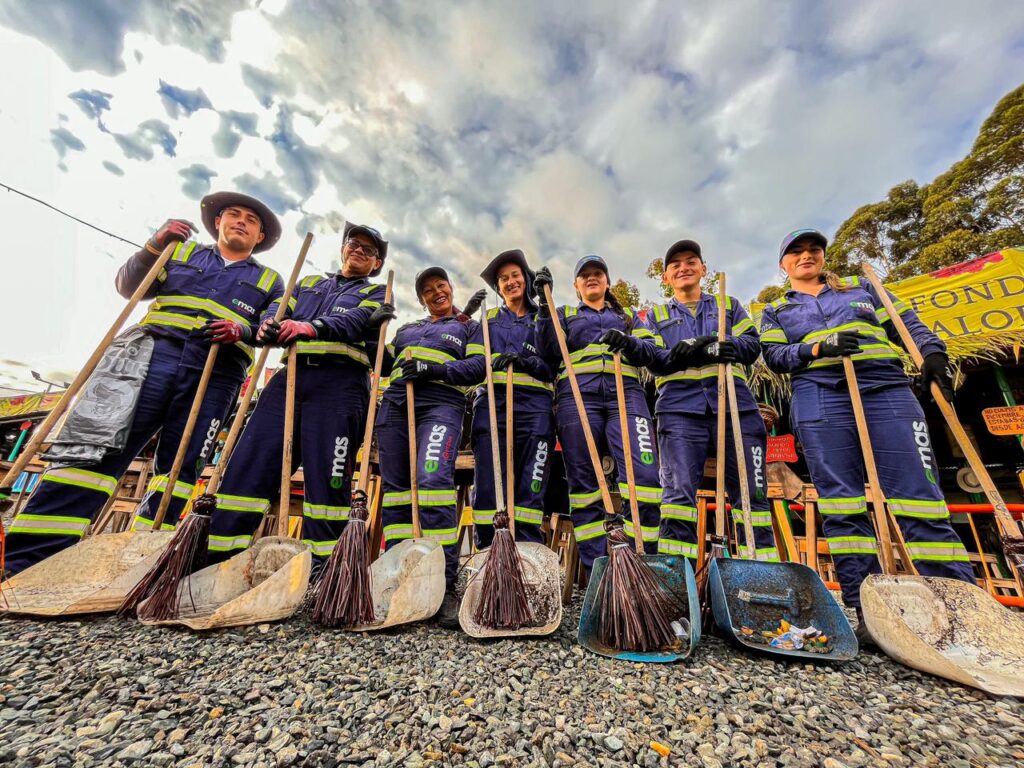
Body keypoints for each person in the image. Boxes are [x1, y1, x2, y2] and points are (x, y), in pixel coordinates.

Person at [4, 192, 284, 574]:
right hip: (150, 357)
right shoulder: (178, 252)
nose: (240, 222)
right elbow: (128, 285)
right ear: (217, 223)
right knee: (96, 447)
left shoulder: (269, 279)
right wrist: (154, 244)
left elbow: (270, 328)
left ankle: (141, 558)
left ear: (259, 235)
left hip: (218, 369)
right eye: (232, 215)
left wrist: (244, 329)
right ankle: (29, 561)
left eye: (251, 220)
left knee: (182, 469)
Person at [759, 228, 973, 625]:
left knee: (919, 495)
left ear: (823, 256)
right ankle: (867, 609)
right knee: (841, 503)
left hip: (885, 388)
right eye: (796, 252)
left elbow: (907, 323)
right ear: (783, 264)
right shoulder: (777, 310)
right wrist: (816, 349)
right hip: (820, 394)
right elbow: (774, 355)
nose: (806, 256)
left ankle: (957, 605)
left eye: (813, 250)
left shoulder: (863, 288)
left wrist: (932, 353)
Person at [205, 223, 394, 563]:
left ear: (376, 264)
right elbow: (278, 315)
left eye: (369, 251)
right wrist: (263, 327)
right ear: (342, 248)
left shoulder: (378, 294)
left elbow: (355, 321)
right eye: (354, 243)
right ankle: (218, 559)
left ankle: (323, 572)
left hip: (341, 389)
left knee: (328, 481)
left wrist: (309, 327)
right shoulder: (306, 283)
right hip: (290, 379)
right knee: (248, 465)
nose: (359, 251)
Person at [608, 239, 779, 562]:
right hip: (680, 412)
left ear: (703, 269)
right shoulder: (653, 316)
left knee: (751, 494)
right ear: (666, 278)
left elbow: (751, 345)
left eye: (691, 261)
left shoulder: (729, 306)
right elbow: (652, 357)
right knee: (677, 496)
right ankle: (677, 575)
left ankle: (759, 569)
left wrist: (719, 346)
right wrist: (631, 346)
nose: (684, 268)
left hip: (735, 409)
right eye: (675, 265)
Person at [534, 255, 662, 572]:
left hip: (627, 395)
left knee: (644, 478)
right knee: (584, 483)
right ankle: (598, 570)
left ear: (607, 281)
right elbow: (549, 353)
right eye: (584, 275)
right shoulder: (562, 313)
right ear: (576, 286)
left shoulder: (632, 316)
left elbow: (652, 352)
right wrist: (543, 306)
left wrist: (629, 343)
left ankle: (641, 561)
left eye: (598, 273)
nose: (592, 278)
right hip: (577, 397)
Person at [375, 267, 481, 625]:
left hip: (441, 405)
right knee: (396, 492)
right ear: (421, 299)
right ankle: (399, 578)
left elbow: (478, 367)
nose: (437, 292)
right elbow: (384, 363)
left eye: (442, 285)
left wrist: (436, 371)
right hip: (395, 406)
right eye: (428, 290)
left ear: (451, 288)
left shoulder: (468, 327)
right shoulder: (406, 330)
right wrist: (375, 328)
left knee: (433, 480)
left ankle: (444, 583)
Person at [467, 249, 555, 548]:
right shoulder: (488, 319)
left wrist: (530, 361)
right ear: (498, 288)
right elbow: (474, 362)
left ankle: (527, 551)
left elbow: (554, 361)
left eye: (515, 275)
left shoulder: (543, 316)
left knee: (532, 483)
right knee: (489, 485)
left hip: (535, 408)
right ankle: (487, 553)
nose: (510, 282)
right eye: (503, 279)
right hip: (493, 406)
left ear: (526, 279)